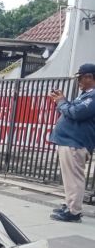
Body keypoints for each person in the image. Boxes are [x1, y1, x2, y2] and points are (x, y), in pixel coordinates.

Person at [49, 63, 95, 222]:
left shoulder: (93, 96)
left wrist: (62, 102)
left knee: (74, 178)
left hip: (76, 143)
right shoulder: (85, 95)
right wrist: (61, 102)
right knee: (70, 177)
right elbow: (69, 109)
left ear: (89, 77)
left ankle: (73, 211)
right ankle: (70, 204)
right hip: (70, 141)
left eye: (80, 78)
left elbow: (76, 113)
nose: (79, 82)